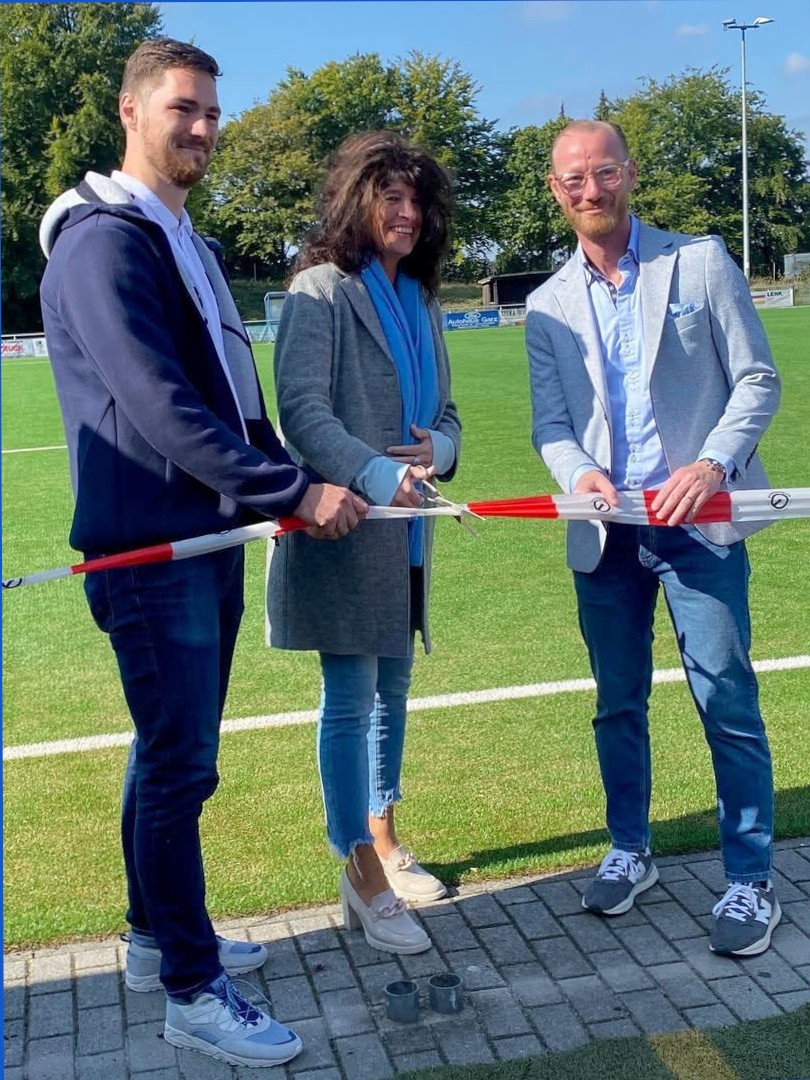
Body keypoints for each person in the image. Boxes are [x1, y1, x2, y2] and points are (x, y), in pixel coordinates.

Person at [38, 38, 366, 1069]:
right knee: (183, 767)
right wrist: (293, 489)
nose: (203, 128)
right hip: (151, 550)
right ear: (132, 112)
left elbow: (231, 396)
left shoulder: (184, 238)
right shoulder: (104, 242)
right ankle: (189, 987)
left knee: (165, 757)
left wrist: (276, 473)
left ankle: (152, 939)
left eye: (213, 112)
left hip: (207, 537)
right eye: (184, 108)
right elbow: (159, 404)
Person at [525, 119, 782, 958]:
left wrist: (711, 464)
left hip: (700, 525)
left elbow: (757, 378)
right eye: (573, 181)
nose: (590, 191)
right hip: (607, 536)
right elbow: (553, 426)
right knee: (617, 703)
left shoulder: (699, 261)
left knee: (727, 700)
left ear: (630, 174)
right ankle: (630, 850)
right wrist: (581, 478)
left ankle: (749, 878)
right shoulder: (544, 304)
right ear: (556, 191)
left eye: (603, 174)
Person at [266, 130, 461, 954]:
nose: (408, 213)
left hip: (406, 536)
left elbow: (445, 419)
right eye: (391, 197)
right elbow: (303, 411)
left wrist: (437, 452)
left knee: (395, 691)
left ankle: (383, 838)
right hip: (344, 527)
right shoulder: (322, 288)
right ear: (357, 201)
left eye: (418, 201)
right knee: (350, 699)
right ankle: (360, 874)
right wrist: (380, 475)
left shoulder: (419, 299)